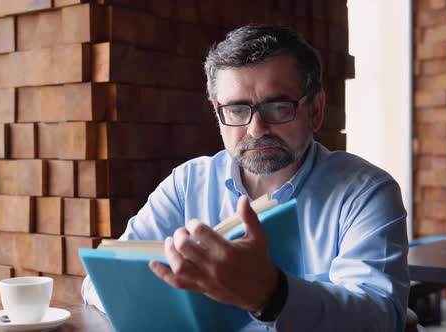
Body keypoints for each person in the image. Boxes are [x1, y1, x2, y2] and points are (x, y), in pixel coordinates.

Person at [81, 24, 409, 331]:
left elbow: (381, 316)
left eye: (277, 107)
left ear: (317, 109)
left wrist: (271, 294)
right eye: (238, 110)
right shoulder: (187, 184)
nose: (255, 129)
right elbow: (99, 282)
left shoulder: (365, 192)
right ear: (217, 112)